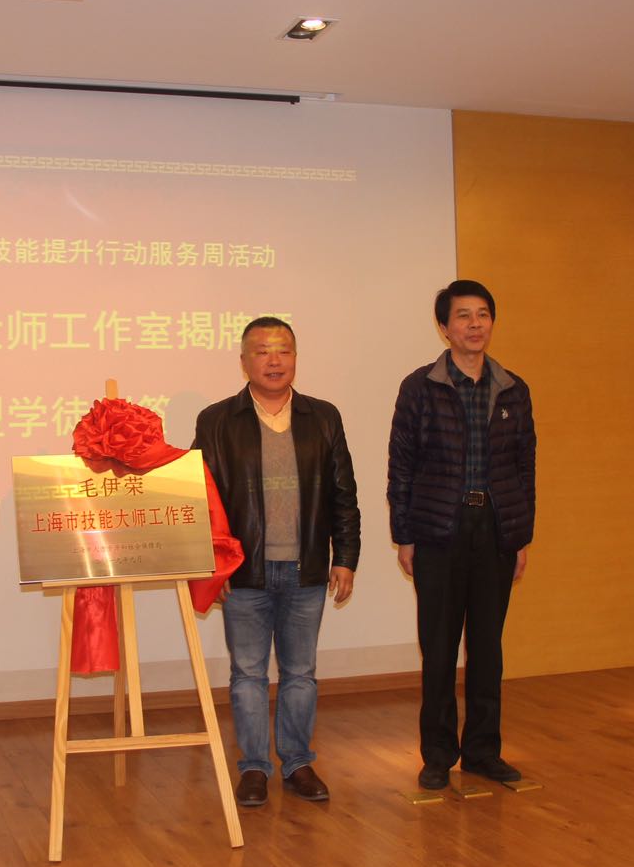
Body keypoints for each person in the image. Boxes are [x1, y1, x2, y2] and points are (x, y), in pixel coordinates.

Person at [194, 317, 360, 807]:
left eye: (283, 350)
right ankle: (253, 767)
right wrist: (213, 564)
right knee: (247, 674)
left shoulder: (322, 417)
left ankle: (298, 763)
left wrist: (345, 557)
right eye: (262, 350)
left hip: (306, 568)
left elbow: (343, 494)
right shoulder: (217, 420)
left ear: (295, 358)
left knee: (300, 672)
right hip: (245, 572)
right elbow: (200, 499)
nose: (273, 360)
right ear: (244, 361)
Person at [387, 280, 536, 792]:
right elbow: (401, 463)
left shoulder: (513, 388)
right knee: (439, 648)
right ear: (444, 327)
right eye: (463, 316)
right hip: (438, 531)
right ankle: (437, 755)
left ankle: (483, 752)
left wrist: (520, 536)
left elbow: (524, 467)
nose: (475, 325)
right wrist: (404, 535)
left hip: (495, 530)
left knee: (488, 649)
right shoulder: (420, 387)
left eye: (483, 315)